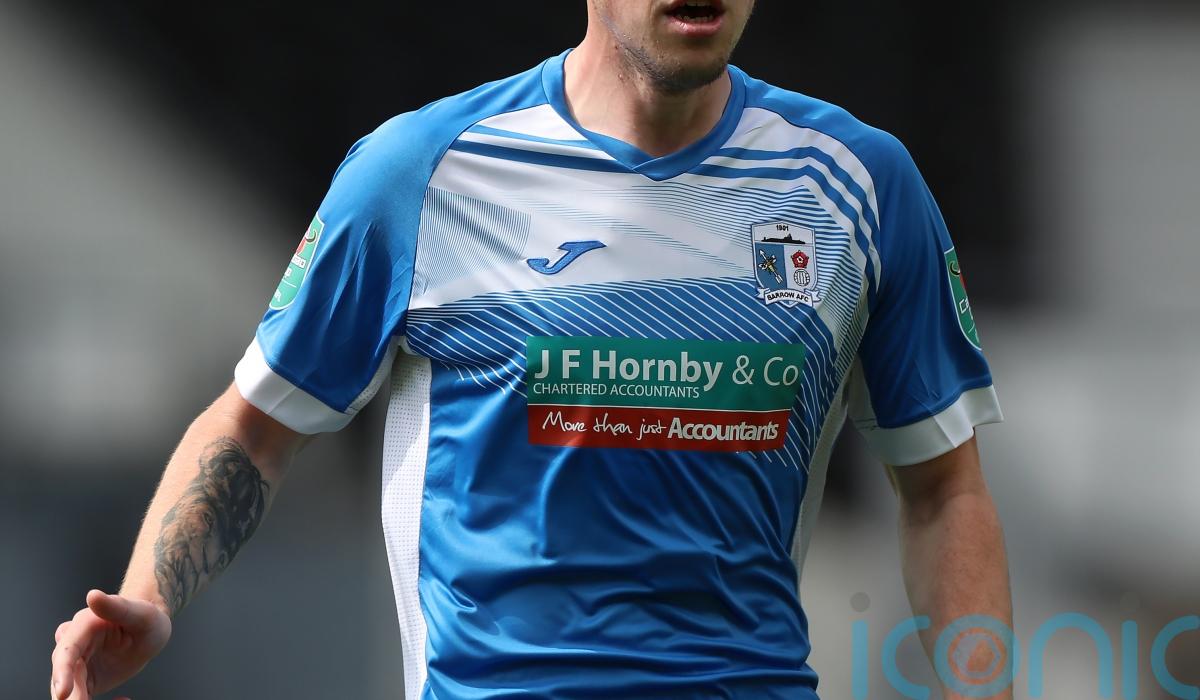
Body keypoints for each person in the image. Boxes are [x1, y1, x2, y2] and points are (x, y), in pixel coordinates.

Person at [50, 1, 1012, 698]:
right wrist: (151, 596)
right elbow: (256, 426)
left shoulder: (860, 185)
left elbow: (944, 491)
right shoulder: (420, 173)